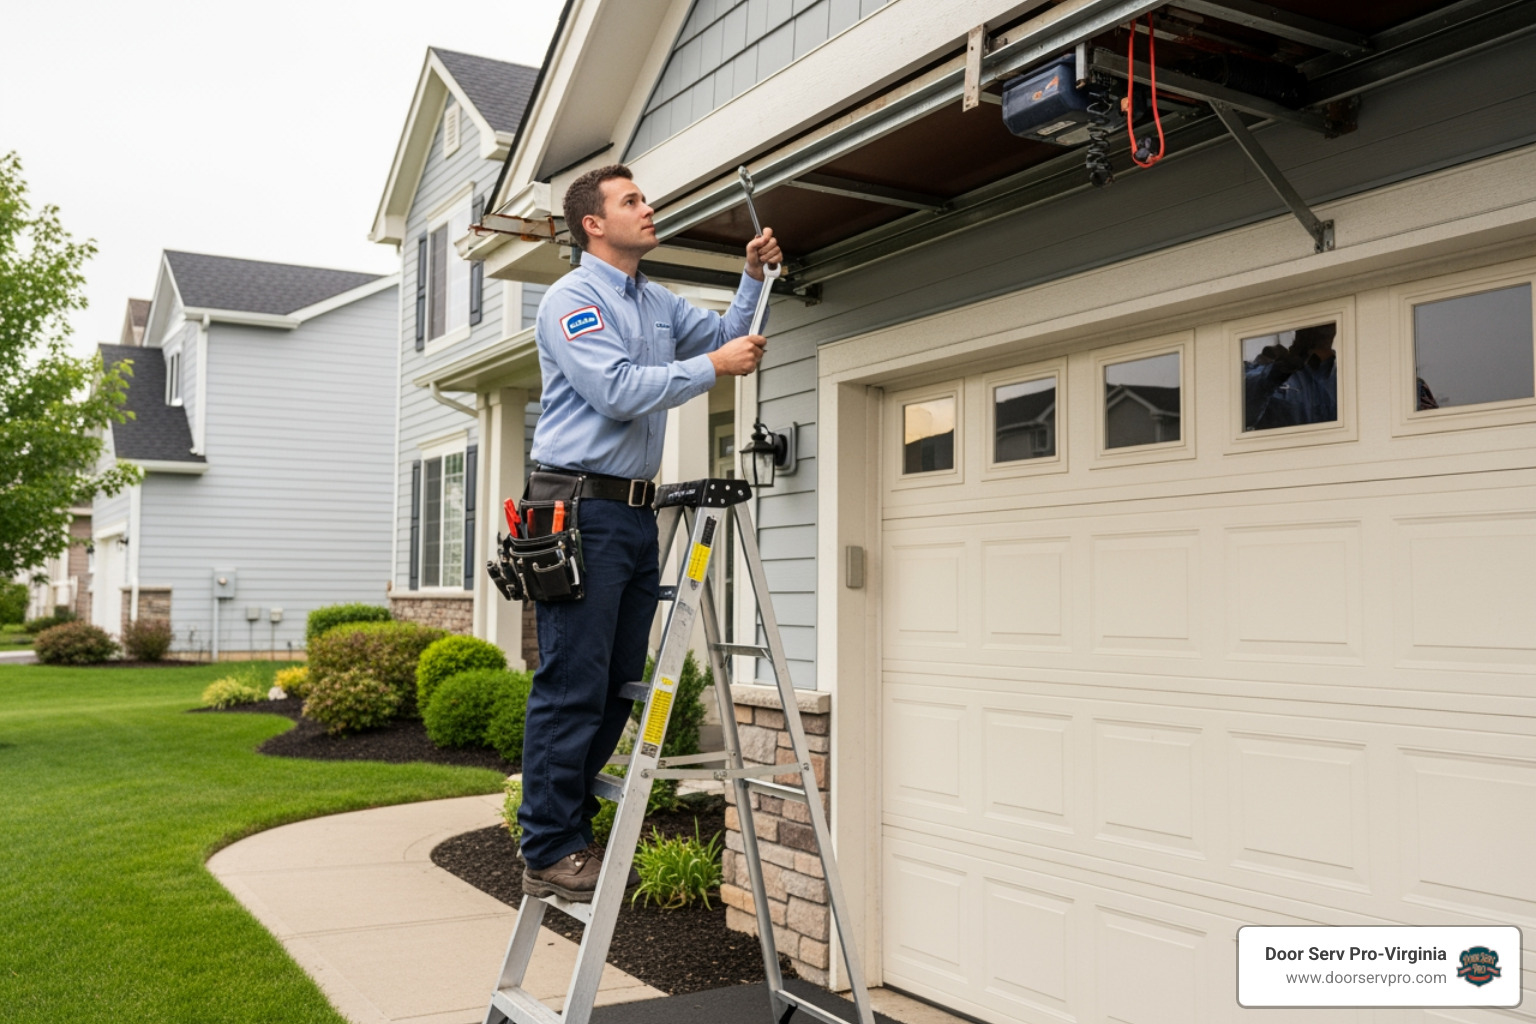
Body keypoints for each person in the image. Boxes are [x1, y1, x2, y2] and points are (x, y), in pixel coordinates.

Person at [518, 163, 781, 901]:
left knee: (612, 687)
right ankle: (547, 847)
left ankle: (568, 833)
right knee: (571, 683)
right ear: (593, 224)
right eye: (632, 201)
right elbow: (617, 390)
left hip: (635, 512)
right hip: (577, 508)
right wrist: (712, 367)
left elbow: (732, 333)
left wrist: (753, 275)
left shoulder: (657, 301)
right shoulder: (574, 299)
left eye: (645, 197)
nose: (649, 207)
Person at [1243, 323, 1338, 431]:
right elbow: (1240, 411)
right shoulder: (1265, 369)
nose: (1322, 329)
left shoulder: (1344, 379)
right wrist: (1277, 372)